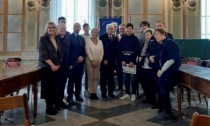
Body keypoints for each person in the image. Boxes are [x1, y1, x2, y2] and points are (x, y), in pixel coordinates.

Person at [146, 21, 174, 111]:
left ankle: (165, 107)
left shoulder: (168, 38)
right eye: (156, 26)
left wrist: (156, 56)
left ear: (164, 27)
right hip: (154, 65)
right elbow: (148, 49)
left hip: (163, 65)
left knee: (162, 87)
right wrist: (149, 56)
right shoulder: (154, 37)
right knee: (155, 85)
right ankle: (158, 103)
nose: (158, 27)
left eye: (160, 26)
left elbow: (166, 52)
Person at [153, 28, 181, 120]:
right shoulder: (163, 44)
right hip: (165, 71)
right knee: (161, 90)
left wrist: (162, 70)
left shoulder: (170, 43)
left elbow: (171, 60)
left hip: (170, 72)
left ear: (163, 34)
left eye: (157, 34)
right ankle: (165, 110)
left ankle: (169, 113)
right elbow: (161, 59)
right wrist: (160, 69)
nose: (155, 36)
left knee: (164, 90)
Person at [38, 21, 62, 115]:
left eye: (53, 27)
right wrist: (52, 65)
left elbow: (60, 53)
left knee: (54, 88)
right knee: (48, 88)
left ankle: (52, 106)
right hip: (47, 68)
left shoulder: (57, 39)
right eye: (49, 27)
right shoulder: (43, 39)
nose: (51, 29)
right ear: (47, 29)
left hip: (56, 67)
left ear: (55, 29)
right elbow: (43, 54)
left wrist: (58, 65)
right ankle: (48, 108)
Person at [119, 23, 140, 102]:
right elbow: (120, 50)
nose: (128, 30)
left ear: (132, 29)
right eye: (127, 28)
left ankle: (133, 94)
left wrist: (132, 61)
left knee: (133, 79)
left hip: (132, 63)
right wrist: (122, 60)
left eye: (130, 28)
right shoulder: (123, 38)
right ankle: (127, 94)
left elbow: (136, 51)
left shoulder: (135, 39)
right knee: (126, 78)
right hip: (124, 62)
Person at [67, 23, 86, 104]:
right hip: (72, 62)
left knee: (79, 80)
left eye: (78, 27)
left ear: (80, 28)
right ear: (73, 27)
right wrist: (76, 58)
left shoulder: (82, 38)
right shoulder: (69, 37)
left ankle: (78, 94)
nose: (77, 28)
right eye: (76, 27)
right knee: (71, 80)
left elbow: (84, 50)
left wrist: (82, 57)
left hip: (80, 63)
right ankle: (70, 95)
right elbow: (69, 50)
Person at [56, 23, 72, 110]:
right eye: (61, 28)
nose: (63, 30)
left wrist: (70, 63)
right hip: (57, 66)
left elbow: (69, 52)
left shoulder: (67, 38)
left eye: (64, 28)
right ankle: (56, 102)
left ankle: (61, 100)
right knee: (56, 85)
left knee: (63, 84)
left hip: (65, 66)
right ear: (57, 29)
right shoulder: (55, 39)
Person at [99, 23, 118, 99]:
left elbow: (116, 49)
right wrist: (104, 59)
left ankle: (110, 92)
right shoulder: (102, 37)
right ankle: (103, 93)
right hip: (104, 62)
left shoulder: (115, 38)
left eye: (111, 28)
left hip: (112, 62)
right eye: (109, 28)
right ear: (106, 29)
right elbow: (100, 50)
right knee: (103, 79)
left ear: (113, 29)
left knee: (111, 79)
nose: (110, 30)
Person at [138, 28, 156, 104]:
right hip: (143, 66)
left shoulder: (154, 44)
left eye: (148, 34)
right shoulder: (144, 43)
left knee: (150, 83)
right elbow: (141, 53)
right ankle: (147, 96)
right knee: (143, 82)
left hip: (151, 67)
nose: (146, 36)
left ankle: (152, 98)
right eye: (145, 35)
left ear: (152, 35)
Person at [85, 28, 104, 100]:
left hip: (98, 62)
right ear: (91, 32)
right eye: (94, 32)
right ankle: (91, 93)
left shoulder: (100, 42)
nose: (95, 34)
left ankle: (95, 93)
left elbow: (102, 52)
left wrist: (99, 60)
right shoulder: (87, 41)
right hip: (90, 62)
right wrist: (92, 60)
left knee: (96, 78)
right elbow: (87, 50)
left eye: (97, 33)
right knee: (91, 78)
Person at [81, 23, 91, 98]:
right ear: (83, 28)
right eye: (85, 27)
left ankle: (87, 89)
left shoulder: (91, 36)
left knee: (88, 75)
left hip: (89, 57)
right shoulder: (81, 36)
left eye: (87, 27)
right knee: (81, 74)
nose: (86, 28)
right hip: (82, 58)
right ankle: (79, 90)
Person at [116, 23, 126, 97]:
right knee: (120, 75)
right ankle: (120, 89)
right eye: (120, 29)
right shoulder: (116, 37)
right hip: (118, 60)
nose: (121, 30)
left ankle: (128, 90)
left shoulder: (128, 37)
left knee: (127, 76)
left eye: (123, 28)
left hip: (127, 60)